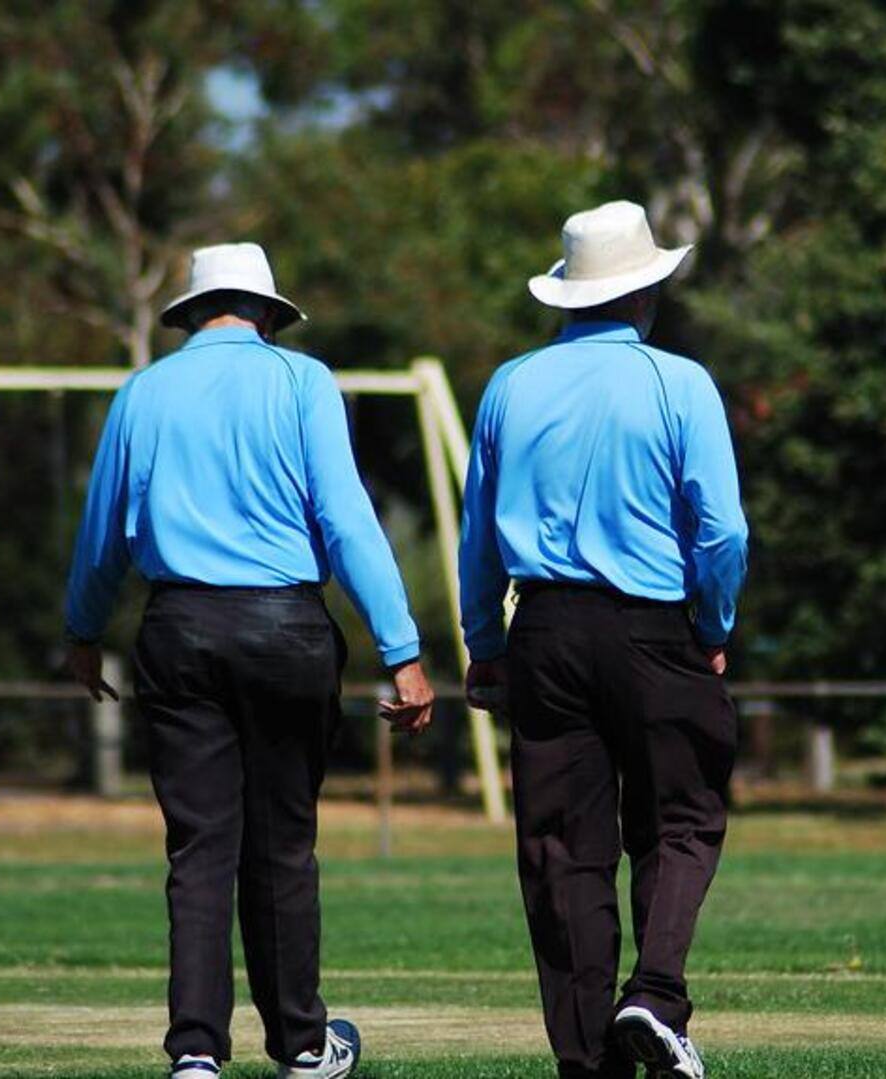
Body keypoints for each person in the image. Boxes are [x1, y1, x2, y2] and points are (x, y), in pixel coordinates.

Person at [63, 242, 434, 1079]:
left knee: (198, 850)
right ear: (268, 312)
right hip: (286, 628)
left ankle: (196, 1050)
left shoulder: (143, 391)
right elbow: (345, 519)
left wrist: (82, 631)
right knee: (282, 847)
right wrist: (401, 648)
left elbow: (102, 530)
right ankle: (302, 1043)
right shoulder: (303, 382)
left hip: (179, 627)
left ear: (192, 313)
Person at [459, 201, 749, 1079]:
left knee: (562, 850)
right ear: (645, 293)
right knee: (681, 818)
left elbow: (478, 537)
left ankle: (588, 1057)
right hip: (653, 625)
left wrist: (486, 642)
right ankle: (654, 994)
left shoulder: (510, 385)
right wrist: (714, 624)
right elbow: (723, 531)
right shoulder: (680, 383)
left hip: (543, 629)